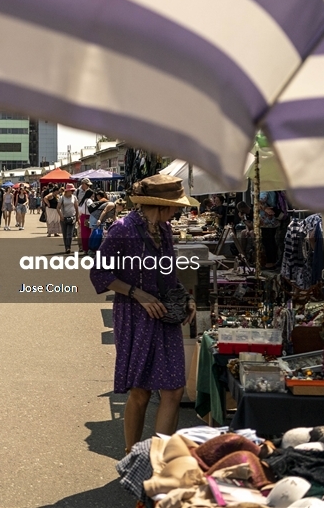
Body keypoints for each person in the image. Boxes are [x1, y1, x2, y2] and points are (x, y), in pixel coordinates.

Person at [89, 174, 196, 454]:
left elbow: (168, 274)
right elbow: (99, 273)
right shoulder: (123, 230)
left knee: (173, 389)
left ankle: (160, 460)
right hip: (135, 316)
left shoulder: (165, 229)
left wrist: (185, 298)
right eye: (174, 206)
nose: (177, 211)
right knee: (141, 391)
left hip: (166, 316)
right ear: (160, 205)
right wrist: (138, 293)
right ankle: (132, 456)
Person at [56, 183, 80, 253]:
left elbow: (76, 207)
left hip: (72, 217)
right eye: (71, 190)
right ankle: (66, 247)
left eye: (73, 190)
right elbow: (58, 208)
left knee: (70, 233)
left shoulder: (74, 197)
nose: (72, 192)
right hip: (64, 218)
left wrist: (77, 217)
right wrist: (61, 215)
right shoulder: (62, 198)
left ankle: (68, 247)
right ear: (67, 191)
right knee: (65, 233)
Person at [76, 178, 94, 253]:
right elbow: (92, 209)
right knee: (88, 233)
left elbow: (79, 209)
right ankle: (87, 248)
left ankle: (84, 248)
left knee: (83, 233)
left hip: (82, 216)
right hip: (88, 217)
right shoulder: (89, 200)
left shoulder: (83, 200)